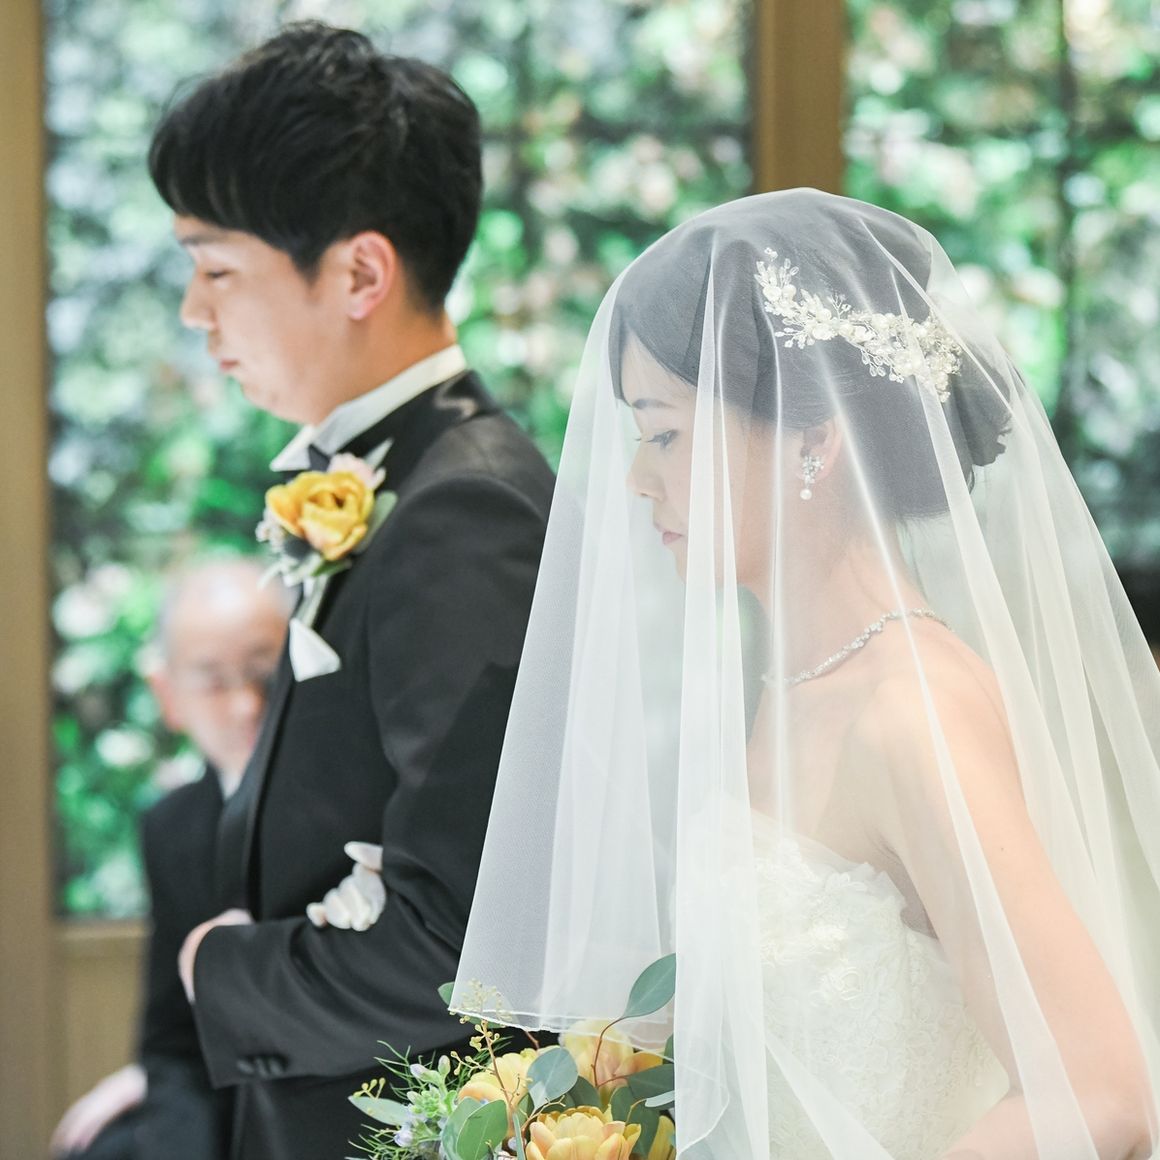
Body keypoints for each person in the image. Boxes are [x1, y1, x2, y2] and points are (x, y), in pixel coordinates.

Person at [452, 190, 1160, 1157]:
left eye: (663, 433)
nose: (637, 479)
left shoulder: (911, 714)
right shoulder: (790, 689)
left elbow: (1098, 1095)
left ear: (812, 441)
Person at [147, 22, 555, 1160]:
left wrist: (222, 970)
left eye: (217, 269)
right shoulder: (407, 477)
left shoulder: (462, 510)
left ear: (361, 273)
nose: (195, 312)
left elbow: (471, 944)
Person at [51, 557, 291, 1160]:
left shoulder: (347, 805)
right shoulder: (171, 825)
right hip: (220, 1097)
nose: (245, 705)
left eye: (265, 672)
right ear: (168, 694)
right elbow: (170, 1038)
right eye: (212, 680)